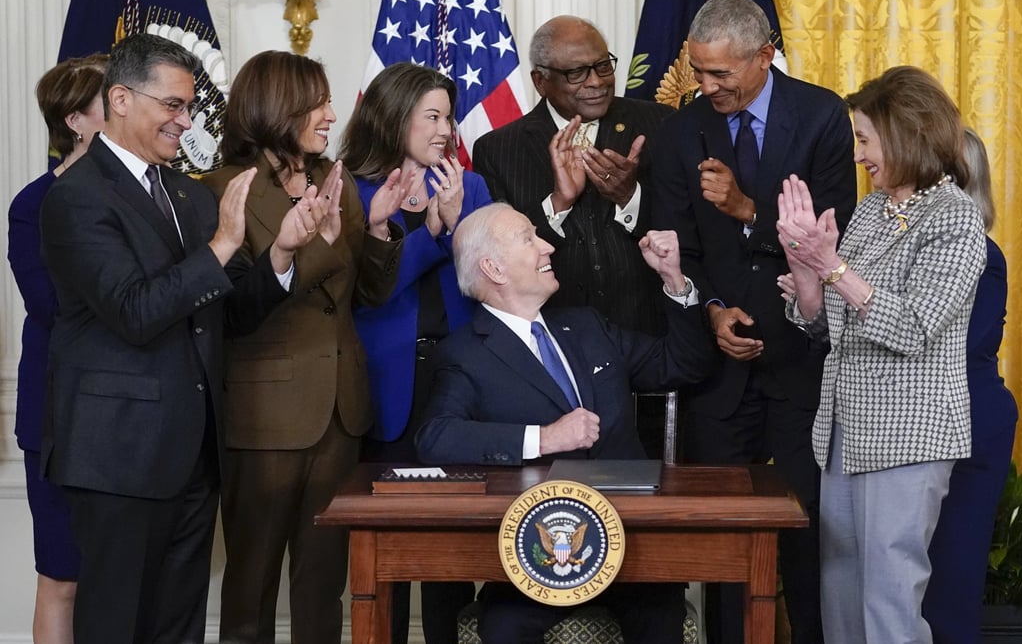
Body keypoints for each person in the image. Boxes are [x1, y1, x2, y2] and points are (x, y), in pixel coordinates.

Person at [38, 33, 328, 644]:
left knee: (179, 628)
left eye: (189, 106)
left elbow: (235, 312)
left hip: (193, 453)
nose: (186, 121)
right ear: (120, 99)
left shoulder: (189, 195)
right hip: (117, 455)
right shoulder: (77, 197)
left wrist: (279, 252)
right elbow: (135, 312)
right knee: (116, 625)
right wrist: (224, 244)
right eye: (172, 105)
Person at [648, 0, 857, 644]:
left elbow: (833, 233)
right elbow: (676, 240)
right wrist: (710, 310)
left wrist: (748, 210)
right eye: (698, 71)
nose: (706, 87)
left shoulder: (820, 115)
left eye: (721, 75)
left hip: (800, 362)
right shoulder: (682, 129)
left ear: (765, 55)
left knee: (804, 538)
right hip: (718, 373)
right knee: (724, 546)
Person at [415, 202, 713, 644]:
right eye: (529, 238)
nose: (547, 246)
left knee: (659, 617)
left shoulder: (588, 326)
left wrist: (674, 279)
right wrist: (545, 438)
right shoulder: (465, 354)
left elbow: (683, 363)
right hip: (532, 560)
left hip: (632, 551)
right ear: (493, 268)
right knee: (503, 628)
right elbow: (436, 437)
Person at [776, 65, 986, 643]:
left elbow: (914, 327)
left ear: (905, 135)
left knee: (888, 595)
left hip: (909, 433)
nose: (860, 154)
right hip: (846, 429)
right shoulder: (871, 210)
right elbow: (830, 328)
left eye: (866, 139)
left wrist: (833, 268)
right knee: (841, 593)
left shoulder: (955, 219)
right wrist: (806, 273)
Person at [200, 50, 404, 644]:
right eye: (317, 103)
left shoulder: (333, 183)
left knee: (324, 585)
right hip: (264, 418)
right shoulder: (220, 190)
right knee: (252, 583)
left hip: (342, 412)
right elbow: (235, 310)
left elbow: (366, 293)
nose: (331, 115)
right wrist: (307, 246)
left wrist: (382, 229)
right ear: (276, 107)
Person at [341, 62, 488, 644]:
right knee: (390, 553)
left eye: (449, 117)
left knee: (452, 552)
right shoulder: (351, 191)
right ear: (396, 117)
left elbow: (486, 280)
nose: (446, 129)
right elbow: (364, 289)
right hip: (384, 383)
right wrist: (433, 234)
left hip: (457, 380)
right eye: (433, 116)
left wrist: (456, 227)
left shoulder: (468, 186)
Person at [473, 15, 672, 337]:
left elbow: (687, 229)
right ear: (540, 81)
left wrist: (629, 197)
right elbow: (500, 262)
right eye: (577, 73)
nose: (596, 82)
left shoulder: (658, 123)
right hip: (554, 336)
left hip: (648, 332)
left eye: (603, 66)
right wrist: (558, 202)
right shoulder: (497, 150)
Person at [7, 53, 106, 644]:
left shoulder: (153, 195)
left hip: (130, 421)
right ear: (76, 120)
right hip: (58, 416)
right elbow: (49, 306)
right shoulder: (34, 204)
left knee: (120, 577)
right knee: (62, 576)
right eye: (112, 97)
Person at [923, 128, 1019, 643]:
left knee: (949, 583)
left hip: (968, 423)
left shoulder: (982, 255)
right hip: (924, 424)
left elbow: (954, 349)